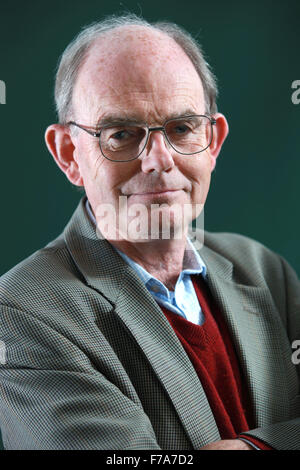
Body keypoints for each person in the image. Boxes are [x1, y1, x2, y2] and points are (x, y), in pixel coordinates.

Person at [0, 13, 299, 451]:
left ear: (212, 142)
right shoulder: (21, 315)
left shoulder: (263, 269)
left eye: (181, 128)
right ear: (68, 154)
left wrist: (250, 448)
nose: (159, 160)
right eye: (121, 134)